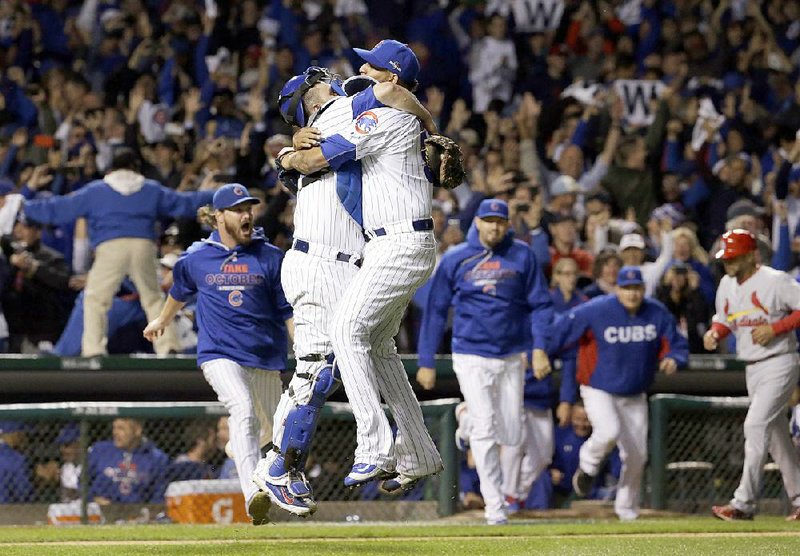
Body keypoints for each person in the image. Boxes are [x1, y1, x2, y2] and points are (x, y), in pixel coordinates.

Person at [252, 65, 435, 516]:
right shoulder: (339, 114)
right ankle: (279, 467)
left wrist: (286, 154)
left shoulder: (337, 122)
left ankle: (279, 464)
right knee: (318, 369)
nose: (333, 79)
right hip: (319, 262)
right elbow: (390, 90)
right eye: (318, 82)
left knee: (358, 358)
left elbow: (294, 165)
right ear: (308, 103)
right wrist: (291, 151)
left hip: (345, 262)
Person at [143, 183, 292, 525]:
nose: (246, 215)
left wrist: (301, 347)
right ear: (218, 216)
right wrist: (162, 320)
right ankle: (253, 492)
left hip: (264, 357)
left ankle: (238, 447)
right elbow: (180, 291)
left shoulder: (269, 256)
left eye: (249, 209)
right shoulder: (195, 257)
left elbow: (286, 309)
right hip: (218, 352)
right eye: (238, 209)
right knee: (241, 410)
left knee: (273, 431)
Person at [417, 198, 553, 524]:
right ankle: (496, 508)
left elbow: (541, 305)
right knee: (488, 430)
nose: (494, 226)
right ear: (477, 221)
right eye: (488, 220)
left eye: (500, 221)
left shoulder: (523, 255)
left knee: (511, 434)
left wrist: (540, 348)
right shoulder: (455, 258)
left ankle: (465, 423)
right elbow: (435, 310)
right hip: (471, 353)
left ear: (507, 224)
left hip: (511, 355)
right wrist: (426, 360)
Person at [23, 148, 214, 356]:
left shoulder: (96, 190)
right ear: (135, 167)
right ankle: (168, 346)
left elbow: (59, 208)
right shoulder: (150, 188)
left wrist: (25, 206)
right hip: (143, 246)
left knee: (96, 299)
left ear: (112, 167)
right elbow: (183, 203)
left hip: (110, 246)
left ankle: (94, 350)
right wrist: (217, 195)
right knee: (153, 298)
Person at [549, 266, 688, 521]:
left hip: (634, 393)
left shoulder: (655, 312)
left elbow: (676, 343)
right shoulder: (596, 309)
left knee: (637, 456)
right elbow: (559, 332)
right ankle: (588, 467)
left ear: (644, 290)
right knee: (608, 431)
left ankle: (626, 510)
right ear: (617, 288)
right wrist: (541, 350)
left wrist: (673, 358)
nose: (632, 294)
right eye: (626, 288)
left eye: (636, 289)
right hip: (598, 387)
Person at [703, 229, 800, 522]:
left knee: (755, 426)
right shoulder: (726, 285)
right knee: (775, 437)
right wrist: (714, 333)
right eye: (726, 258)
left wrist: (777, 327)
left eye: (733, 258)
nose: (728, 263)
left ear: (750, 255)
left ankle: (743, 504)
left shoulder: (775, 280)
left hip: (780, 361)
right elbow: (725, 320)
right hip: (752, 366)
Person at [501, 256, 583, 513]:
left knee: (544, 453)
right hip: (515, 387)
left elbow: (569, 357)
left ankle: (517, 493)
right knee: (513, 444)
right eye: (564, 273)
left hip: (542, 392)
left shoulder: (571, 309)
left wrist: (567, 400)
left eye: (573, 273)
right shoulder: (519, 309)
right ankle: (507, 495)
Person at [0, 212, 71, 352]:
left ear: (38, 232)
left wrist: (34, 268)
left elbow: (63, 283)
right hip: (15, 333)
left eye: (25, 227)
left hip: (42, 334)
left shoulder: (52, 258)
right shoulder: (9, 259)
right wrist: (14, 267)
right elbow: (4, 292)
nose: (19, 232)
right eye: (17, 227)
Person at [87, 418, 169, 505]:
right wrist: (93, 499)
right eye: (114, 428)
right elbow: (82, 483)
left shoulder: (156, 458)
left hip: (137, 514)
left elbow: (158, 495)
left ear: (137, 430)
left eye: (121, 428)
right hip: (99, 511)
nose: (115, 432)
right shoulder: (100, 450)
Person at [0, 421, 33, 503]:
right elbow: (23, 493)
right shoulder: (15, 458)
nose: (24, 437)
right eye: (23, 433)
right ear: (15, 433)